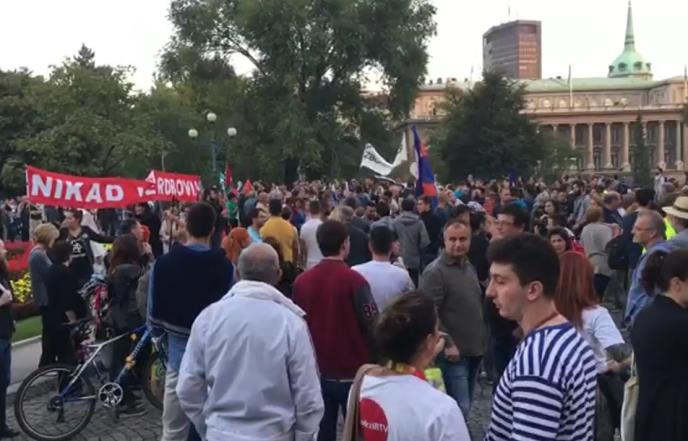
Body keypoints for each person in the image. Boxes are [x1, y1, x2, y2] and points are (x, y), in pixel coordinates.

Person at [177, 244, 323, 441]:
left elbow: (187, 387)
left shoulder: (208, 318)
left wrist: (208, 426)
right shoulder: (291, 323)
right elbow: (308, 394)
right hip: (274, 434)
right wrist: (304, 435)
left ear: (237, 273)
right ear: (278, 275)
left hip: (221, 433)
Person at [484, 233, 597, 440]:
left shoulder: (538, 359)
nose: (490, 291)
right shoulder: (570, 337)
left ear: (533, 290)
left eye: (500, 281)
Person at [149, 202, 234, 441]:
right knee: (214, 428)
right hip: (214, 360)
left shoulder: (163, 264)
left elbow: (153, 315)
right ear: (212, 230)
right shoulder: (226, 267)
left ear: (186, 226)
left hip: (178, 356)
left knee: (173, 430)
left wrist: (159, 337)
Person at [293, 220, 379, 441]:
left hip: (317, 370)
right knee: (357, 432)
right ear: (344, 244)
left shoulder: (302, 282)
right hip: (353, 372)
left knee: (323, 432)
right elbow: (372, 323)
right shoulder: (355, 281)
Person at [349, 291, 471, 441]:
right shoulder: (442, 410)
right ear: (428, 341)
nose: (439, 334)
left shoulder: (361, 386)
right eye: (436, 328)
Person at [554, 251, 629, 439]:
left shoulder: (548, 313)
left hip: (554, 387)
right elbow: (620, 352)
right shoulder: (596, 314)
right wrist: (620, 365)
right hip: (591, 392)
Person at [419, 219, 486, 415]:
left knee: (466, 404)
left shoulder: (468, 266)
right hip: (453, 354)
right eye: (453, 239)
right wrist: (448, 342)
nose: (458, 244)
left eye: (463, 239)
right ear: (445, 241)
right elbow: (429, 312)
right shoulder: (435, 271)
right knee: (458, 408)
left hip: (474, 349)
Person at [630, 248, 688, 441]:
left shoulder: (644, 316)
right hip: (677, 423)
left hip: (649, 418)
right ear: (676, 283)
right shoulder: (680, 323)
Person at [106, 234, 146, 416]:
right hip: (129, 319)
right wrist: (148, 258)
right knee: (126, 360)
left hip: (119, 318)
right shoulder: (130, 270)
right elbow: (147, 279)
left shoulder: (115, 268)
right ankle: (123, 400)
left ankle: (121, 393)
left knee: (121, 358)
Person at [625, 209, 674, 326]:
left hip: (646, 322)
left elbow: (654, 294)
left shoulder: (657, 256)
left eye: (638, 229)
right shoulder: (655, 253)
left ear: (652, 233)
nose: (632, 232)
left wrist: (638, 318)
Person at [44, 241, 87, 365]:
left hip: (53, 317)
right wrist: (73, 320)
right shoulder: (64, 273)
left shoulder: (51, 271)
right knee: (69, 355)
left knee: (62, 355)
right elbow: (66, 299)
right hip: (64, 319)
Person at [352, 226, 414, 311]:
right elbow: (410, 302)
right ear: (391, 246)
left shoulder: (355, 271)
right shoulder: (403, 275)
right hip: (392, 318)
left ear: (370, 246)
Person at [29, 223, 60, 367]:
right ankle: (46, 362)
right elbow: (50, 274)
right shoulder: (38, 255)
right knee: (49, 331)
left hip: (45, 297)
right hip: (45, 298)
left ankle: (48, 360)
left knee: (50, 330)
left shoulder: (40, 253)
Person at [59, 209, 114, 286]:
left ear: (77, 219)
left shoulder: (85, 230)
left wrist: (116, 239)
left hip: (86, 265)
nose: (66, 221)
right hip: (70, 265)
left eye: (69, 218)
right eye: (66, 218)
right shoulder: (64, 232)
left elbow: (100, 238)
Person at [0, 240, 19, 439]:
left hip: (5, 332)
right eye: (1, 248)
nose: (5, 251)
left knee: (3, 382)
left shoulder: (2, 274)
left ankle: (2, 424)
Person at [392, 197, 430, 286]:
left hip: (399, 259)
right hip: (414, 259)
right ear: (413, 207)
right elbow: (425, 242)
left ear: (402, 207)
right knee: (413, 285)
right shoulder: (419, 222)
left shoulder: (394, 222)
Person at [580, 206, 614, 300]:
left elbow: (582, 244)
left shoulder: (585, 229)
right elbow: (607, 246)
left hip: (589, 262)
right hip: (603, 263)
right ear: (600, 215)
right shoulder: (605, 229)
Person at [621, 188, 654, 272]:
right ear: (650, 202)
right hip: (649, 262)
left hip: (632, 261)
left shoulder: (627, 218)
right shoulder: (652, 218)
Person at [260, 199, 298, 264]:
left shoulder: (263, 228)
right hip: (288, 263)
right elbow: (295, 249)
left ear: (269, 210)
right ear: (281, 210)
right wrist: (294, 265)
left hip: (271, 263)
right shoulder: (291, 227)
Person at [417, 195, 442, 270]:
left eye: (420, 204)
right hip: (422, 252)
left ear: (428, 205)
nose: (418, 206)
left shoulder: (434, 218)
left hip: (430, 252)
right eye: (418, 204)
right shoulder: (419, 218)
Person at [299, 200, 324, 270]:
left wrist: (301, 263)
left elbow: (302, 248)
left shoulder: (304, 227)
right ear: (320, 210)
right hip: (322, 261)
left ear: (310, 210)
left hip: (309, 262)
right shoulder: (324, 226)